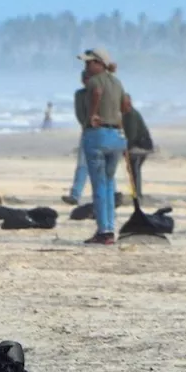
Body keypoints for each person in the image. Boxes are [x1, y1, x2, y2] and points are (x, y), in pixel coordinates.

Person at [78, 48, 130, 245]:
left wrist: (92, 114)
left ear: (100, 63)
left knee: (99, 184)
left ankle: (104, 231)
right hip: (116, 135)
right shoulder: (117, 82)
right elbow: (126, 106)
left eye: (90, 62)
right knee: (109, 184)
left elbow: (97, 93)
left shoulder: (94, 82)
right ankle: (110, 228)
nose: (86, 66)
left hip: (98, 136)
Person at [63, 66, 92, 205]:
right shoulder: (80, 94)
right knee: (82, 165)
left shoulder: (102, 92)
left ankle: (113, 195)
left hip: (102, 131)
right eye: (85, 78)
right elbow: (80, 115)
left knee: (101, 167)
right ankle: (75, 194)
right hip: (88, 131)